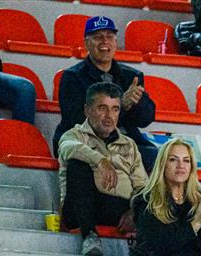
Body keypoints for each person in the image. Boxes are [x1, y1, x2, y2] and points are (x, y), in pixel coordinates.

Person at [58, 83, 146, 256]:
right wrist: (100, 161)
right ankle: (89, 236)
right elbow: (68, 147)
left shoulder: (129, 144)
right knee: (77, 164)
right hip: (79, 209)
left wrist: (135, 212)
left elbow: (142, 186)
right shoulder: (73, 135)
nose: (109, 116)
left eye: (115, 109)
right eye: (102, 108)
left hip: (118, 209)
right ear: (87, 110)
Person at [54, 17, 155, 165]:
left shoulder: (131, 76)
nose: (104, 41)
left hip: (124, 142)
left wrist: (137, 103)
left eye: (109, 37)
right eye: (98, 37)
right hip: (86, 141)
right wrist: (121, 105)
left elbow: (146, 119)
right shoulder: (72, 77)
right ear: (86, 43)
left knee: (159, 157)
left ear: (116, 43)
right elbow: (76, 119)